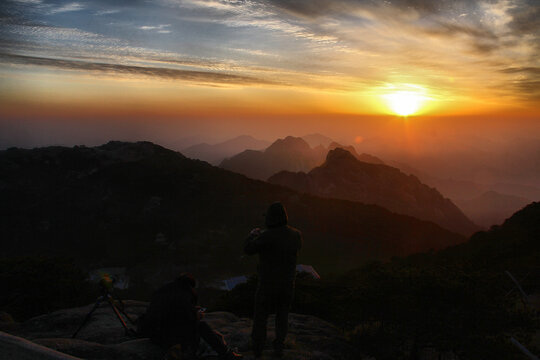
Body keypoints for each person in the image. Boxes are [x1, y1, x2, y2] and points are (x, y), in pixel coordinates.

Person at [244, 202, 303, 358]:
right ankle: (279, 346)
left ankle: (258, 348)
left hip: (267, 284)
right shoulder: (296, 234)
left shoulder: (266, 236)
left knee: (260, 317)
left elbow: (248, 249)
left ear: (270, 218)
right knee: (282, 316)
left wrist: (252, 235)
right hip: (288, 284)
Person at [138, 273, 242, 359]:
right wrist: (197, 315)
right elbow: (188, 319)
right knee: (202, 326)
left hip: (152, 333)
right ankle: (227, 354)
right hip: (166, 336)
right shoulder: (183, 295)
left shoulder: (164, 291)